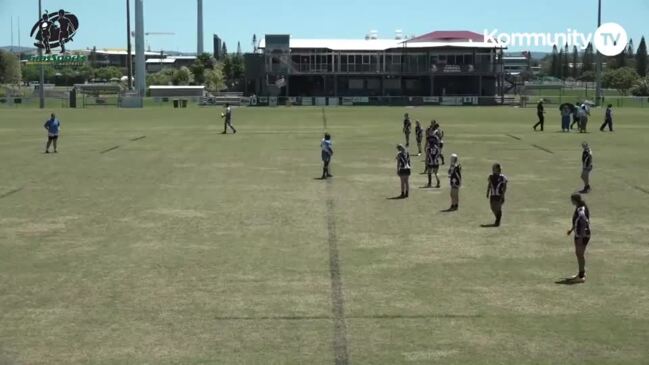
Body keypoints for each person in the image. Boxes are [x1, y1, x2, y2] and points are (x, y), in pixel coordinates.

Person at [566, 193, 591, 283]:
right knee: (579, 254)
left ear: (575, 200)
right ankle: (581, 273)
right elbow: (577, 221)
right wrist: (572, 229)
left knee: (580, 254)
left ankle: (581, 276)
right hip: (580, 234)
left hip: (582, 235)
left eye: (572, 200)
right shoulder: (580, 207)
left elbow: (583, 220)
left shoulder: (581, 209)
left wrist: (581, 235)